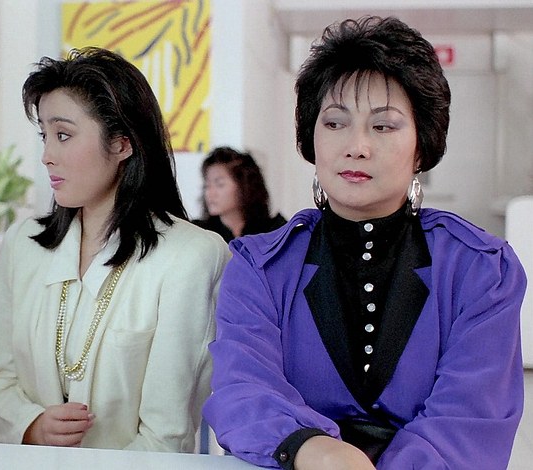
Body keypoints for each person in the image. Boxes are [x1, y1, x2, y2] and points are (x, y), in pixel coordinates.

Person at [203, 16, 526, 470]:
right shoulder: (260, 267)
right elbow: (242, 388)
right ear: (311, 139)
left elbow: (472, 417)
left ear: (422, 145)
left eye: (383, 126)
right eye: (335, 122)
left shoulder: (480, 269)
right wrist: (310, 448)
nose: (356, 146)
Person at [0, 47, 229, 452]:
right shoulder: (23, 243)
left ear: (122, 144)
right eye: (45, 136)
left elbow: (166, 433)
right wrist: (32, 425)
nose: (47, 156)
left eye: (63, 135)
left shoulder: (191, 256)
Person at [193, 146, 287, 242]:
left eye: (220, 184)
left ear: (245, 186)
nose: (210, 193)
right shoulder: (199, 233)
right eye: (207, 185)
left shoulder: (275, 231)